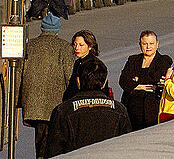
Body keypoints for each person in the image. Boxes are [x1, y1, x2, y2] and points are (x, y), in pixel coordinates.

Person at [45, 57, 130, 157]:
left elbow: (53, 150)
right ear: (104, 82)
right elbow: (126, 147)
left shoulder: (63, 111)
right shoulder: (119, 110)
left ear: (78, 81)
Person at [19, 13, 74, 158]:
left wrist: (19, 99)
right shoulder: (64, 47)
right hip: (55, 101)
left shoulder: (29, 45)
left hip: (33, 101)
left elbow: (18, 72)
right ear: (57, 30)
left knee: (40, 136)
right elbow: (70, 75)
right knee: (53, 139)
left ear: (42, 28)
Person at [118, 30, 172, 131]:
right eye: (145, 43)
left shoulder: (164, 60)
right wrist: (141, 86)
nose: (148, 47)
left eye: (151, 43)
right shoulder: (133, 60)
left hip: (151, 110)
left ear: (157, 44)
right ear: (140, 44)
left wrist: (135, 81)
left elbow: (155, 79)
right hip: (131, 109)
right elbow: (123, 81)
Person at [64, 30, 108, 101]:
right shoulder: (78, 62)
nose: (76, 48)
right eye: (75, 44)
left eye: (81, 45)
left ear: (90, 46)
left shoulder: (95, 65)